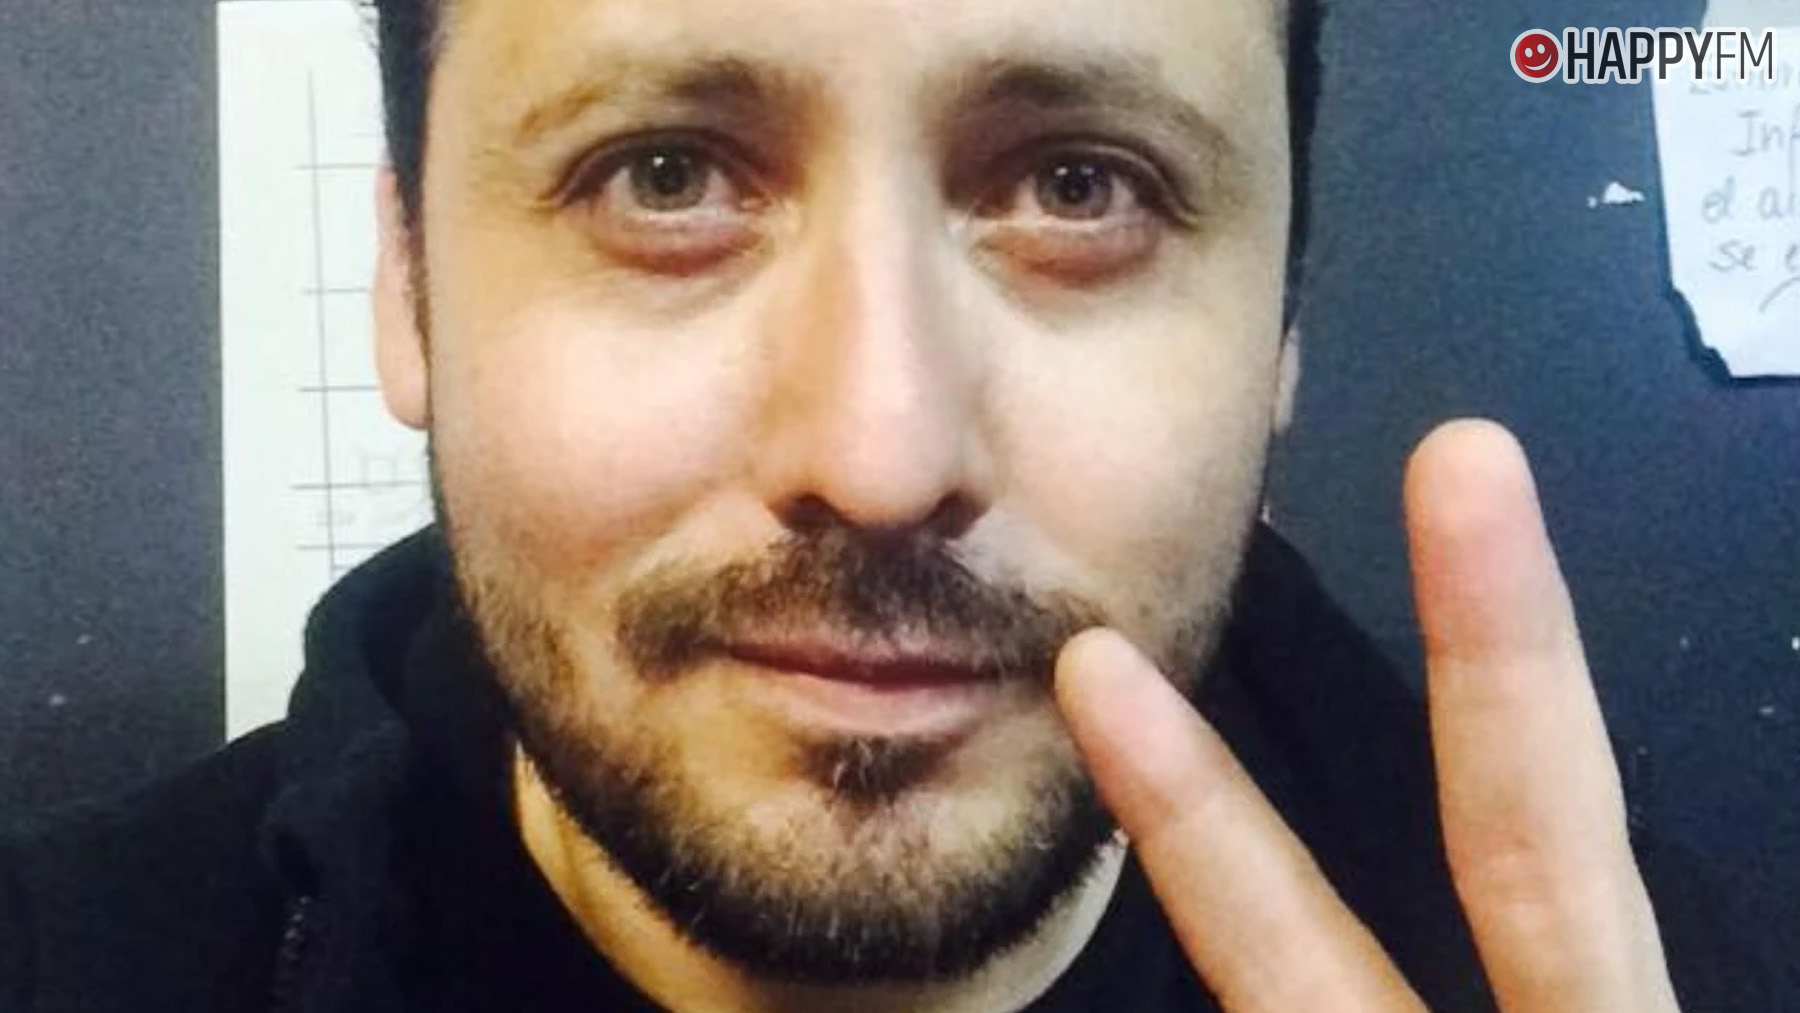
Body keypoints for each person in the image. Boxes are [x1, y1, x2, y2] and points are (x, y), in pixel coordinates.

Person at [0, 0, 1774, 1009]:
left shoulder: (1621, 981)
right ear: (406, 286)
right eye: (664, 174)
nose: (878, 450)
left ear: (1283, 327)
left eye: (1078, 183)